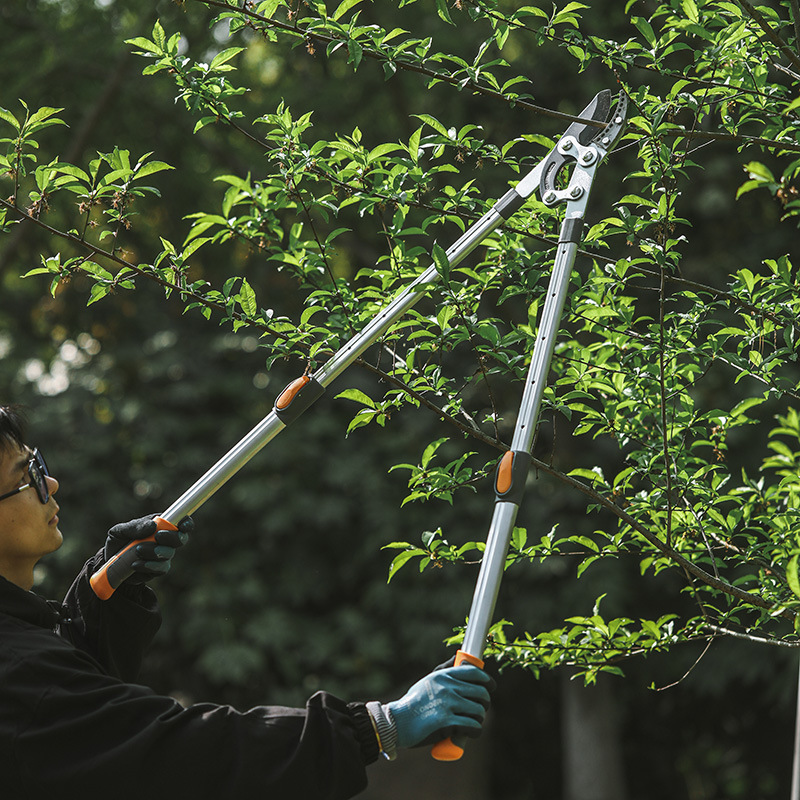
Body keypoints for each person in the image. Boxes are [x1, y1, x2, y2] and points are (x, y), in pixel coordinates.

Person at [0, 404, 493, 799]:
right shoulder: (18, 673)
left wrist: (106, 596)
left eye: (39, 464)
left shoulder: (22, 650)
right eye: (29, 476)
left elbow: (66, 714)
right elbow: (180, 754)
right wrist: (380, 726)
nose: (52, 485)